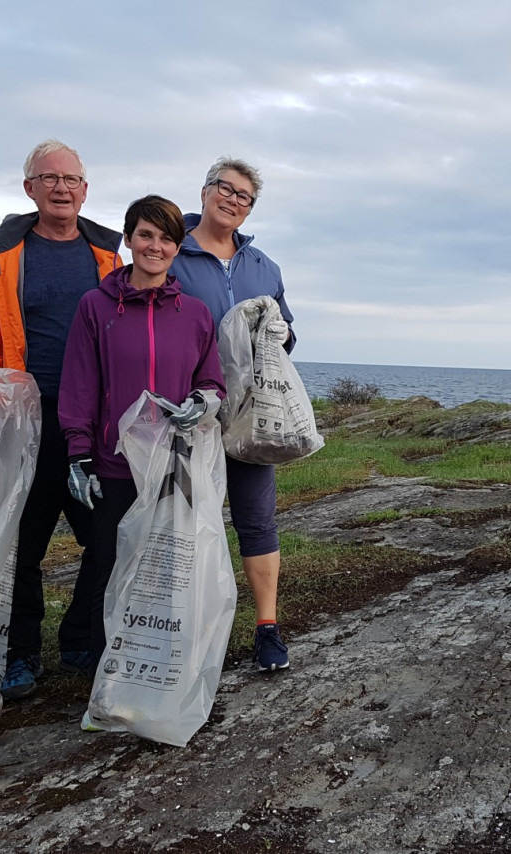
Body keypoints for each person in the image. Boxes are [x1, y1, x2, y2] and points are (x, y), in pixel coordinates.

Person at [0, 139, 123, 699]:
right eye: (48, 178)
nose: (61, 188)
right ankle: (20, 653)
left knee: (105, 537)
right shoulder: (1, 255)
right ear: (28, 188)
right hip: (23, 424)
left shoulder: (107, 255)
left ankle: (82, 637)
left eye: (71, 179)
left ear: (84, 190)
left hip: (89, 424)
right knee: (22, 547)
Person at [56, 195, 226, 675]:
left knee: (167, 572)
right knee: (109, 566)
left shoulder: (194, 314)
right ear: (128, 239)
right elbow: (80, 385)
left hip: (174, 467)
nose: (155, 245)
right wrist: (79, 454)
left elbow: (212, 382)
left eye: (166, 238)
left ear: (178, 247)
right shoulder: (96, 306)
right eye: (145, 235)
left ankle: (159, 670)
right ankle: (104, 673)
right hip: (115, 466)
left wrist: (203, 403)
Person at [170, 158, 296, 670]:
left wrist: (283, 332)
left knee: (257, 520)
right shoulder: (170, 251)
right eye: (225, 188)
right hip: (189, 412)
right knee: (186, 522)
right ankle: (191, 629)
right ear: (204, 192)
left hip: (248, 415)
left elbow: (287, 334)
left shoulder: (265, 267)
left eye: (245, 196)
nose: (233, 200)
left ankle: (267, 628)